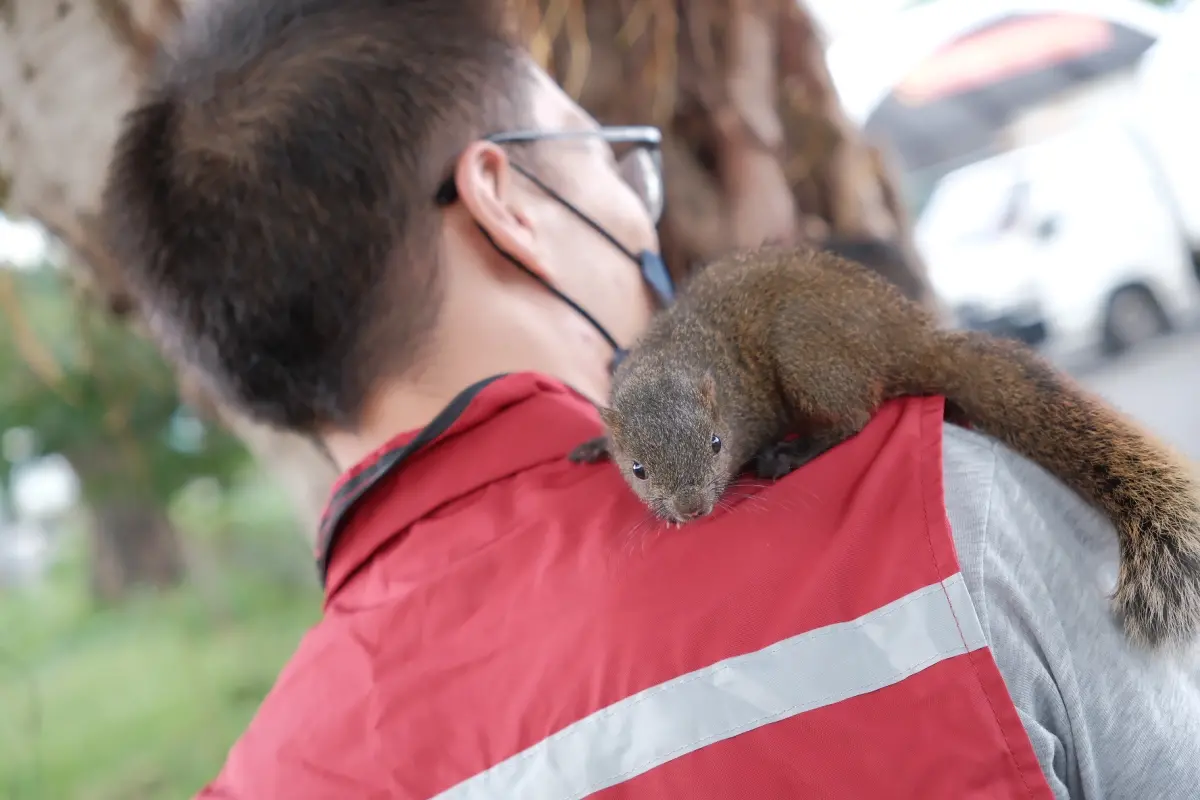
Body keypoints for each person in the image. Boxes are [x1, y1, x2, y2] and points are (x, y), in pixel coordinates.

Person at [100, 1, 1200, 798]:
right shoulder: (948, 512)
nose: (641, 216)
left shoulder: (260, 777)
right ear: (507, 198)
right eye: (609, 160)